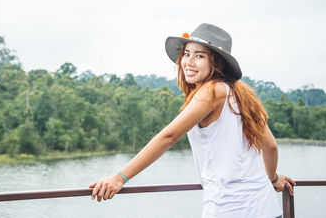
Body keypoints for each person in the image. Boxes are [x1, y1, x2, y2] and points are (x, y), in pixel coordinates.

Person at [89, 23, 295, 217]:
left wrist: (120, 177)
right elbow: (270, 146)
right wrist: (273, 178)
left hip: (230, 209)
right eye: (186, 54)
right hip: (267, 208)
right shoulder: (242, 95)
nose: (189, 61)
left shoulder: (211, 92)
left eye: (200, 56)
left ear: (217, 62)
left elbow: (168, 137)